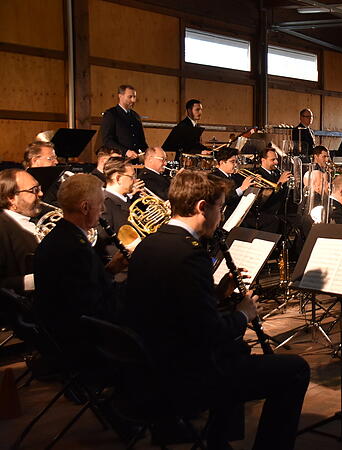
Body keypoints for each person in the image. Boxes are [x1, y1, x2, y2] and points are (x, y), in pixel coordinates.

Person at [123, 170, 309, 449]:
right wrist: (243, 314)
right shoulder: (189, 255)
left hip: (150, 364)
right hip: (184, 375)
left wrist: (218, 294)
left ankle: (218, 440)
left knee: (237, 352)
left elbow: (173, 306)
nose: (221, 216)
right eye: (220, 208)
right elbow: (209, 333)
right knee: (295, 369)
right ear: (201, 208)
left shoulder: (149, 243)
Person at [34, 174, 127, 365]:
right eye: (100, 204)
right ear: (85, 207)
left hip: (62, 331)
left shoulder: (59, 235)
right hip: (83, 342)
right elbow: (95, 306)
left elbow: (81, 287)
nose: (102, 210)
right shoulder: (75, 248)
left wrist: (109, 270)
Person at [0, 169, 42, 293]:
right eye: (34, 190)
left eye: (39, 188)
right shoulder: (2, 227)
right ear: (11, 198)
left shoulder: (35, 219)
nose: (40, 194)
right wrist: (42, 279)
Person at [248, 146, 292, 233]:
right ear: (263, 160)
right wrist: (280, 183)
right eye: (273, 160)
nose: (276, 162)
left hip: (280, 211)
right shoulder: (258, 174)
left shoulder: (277, 173)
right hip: (266, 213)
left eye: (276, 159)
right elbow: (264, 199)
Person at [100, 85, 147, 158]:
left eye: (134, 97)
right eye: (130, 97)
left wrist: (149, 153)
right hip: (118, 160)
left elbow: (142, 142)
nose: (133, 100)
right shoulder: (111, 114)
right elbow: (107, 140)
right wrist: (126, 151)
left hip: (135, 160)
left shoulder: (135, 116)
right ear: (120, 96)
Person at [210, 147, 254, 220]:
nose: (236, 165)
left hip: (240, 213)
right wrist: (242, 188)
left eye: (236, 162)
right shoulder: (214, 177)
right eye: (232, 162)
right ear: (222, 163)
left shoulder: (236, 176)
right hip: (226, 216)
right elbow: (225, 199)